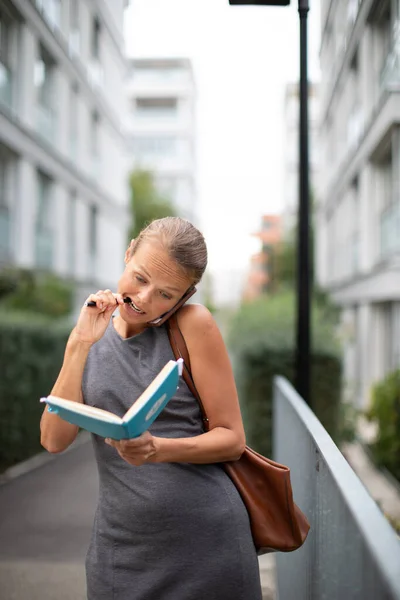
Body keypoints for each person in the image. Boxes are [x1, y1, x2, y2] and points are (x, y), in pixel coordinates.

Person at [40, 216, 262, 600]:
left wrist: (157, 449)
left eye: (165, 293)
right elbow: (54, 440)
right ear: (128, 254)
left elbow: (232, 440)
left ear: (185, 296)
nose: (144, 300)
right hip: (121, 549)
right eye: (140, 278)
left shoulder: (193, 325)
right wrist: (79, 342)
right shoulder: (89, 332)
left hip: (209, 547)